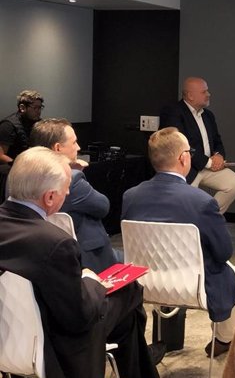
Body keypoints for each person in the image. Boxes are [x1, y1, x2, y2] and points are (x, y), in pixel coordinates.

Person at [0, 147, 159, 378]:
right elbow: (78, 318)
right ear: (50, 197)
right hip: (51, 345)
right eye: (65, 191)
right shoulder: (55, 243)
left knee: (126, 319)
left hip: (8, 335)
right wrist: (90, 280)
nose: (66, 196)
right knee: (130, 292)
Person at [122, 127, 235, 358]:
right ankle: (224, 338)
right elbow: (223, 252)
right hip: (192, 285)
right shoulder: (201, 201)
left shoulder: (131, 196)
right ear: (183, 158)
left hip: (144, 283)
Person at [29, 118, 119, 273]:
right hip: (86, 259)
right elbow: (103, 207)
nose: (78, 147)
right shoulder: (73, 180)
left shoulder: (20, 179)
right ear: (57, 148)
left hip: (40, 256)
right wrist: (73, 173)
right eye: (74, 143)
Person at [159, 77, 235, 213]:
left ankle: (209, 215)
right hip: (187, 168)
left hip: (208, 166)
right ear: (190, 95)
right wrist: (209, 163)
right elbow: (179, 145)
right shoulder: (173, 112)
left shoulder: (208, 115)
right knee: (189, 203)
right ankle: (197, 220)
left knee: (234, 182)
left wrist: (219, 156)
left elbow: (217, 140)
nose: (209, 94)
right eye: (204, 92)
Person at [0, 89, 44, 164]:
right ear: (22, 108)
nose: (38, 111)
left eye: (40, 107)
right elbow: (1, 155)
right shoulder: (8, 126)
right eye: (35, 108)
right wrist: (19, 165)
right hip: (12, 168)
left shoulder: (38, 123)